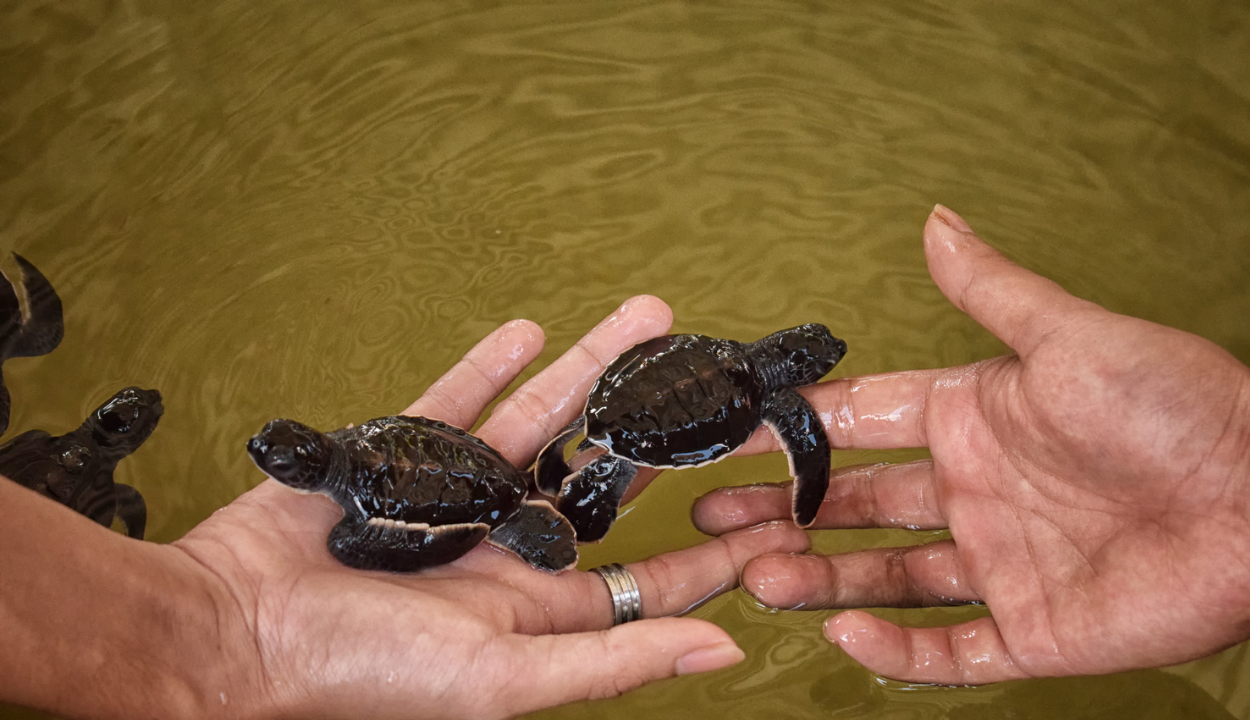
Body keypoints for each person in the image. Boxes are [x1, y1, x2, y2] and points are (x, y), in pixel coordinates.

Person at [0, 296, 810, 720]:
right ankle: (539, 512)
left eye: (285, 455)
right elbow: (387, 500)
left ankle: (544, 506)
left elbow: (382, 506)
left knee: (407, 532)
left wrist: (217, 631)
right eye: (279, 455)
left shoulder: (352, 485)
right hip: (480, 481)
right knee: (401, 533)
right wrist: (223, 633)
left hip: (484, 481)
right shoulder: (353, 486)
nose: (272, 462)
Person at [690, 205, 1250, 685]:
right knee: (806, 455)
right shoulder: (783, 404)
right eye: (821, 360)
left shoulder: (710, 353)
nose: (834, 357)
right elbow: (808, 446)